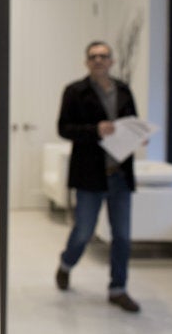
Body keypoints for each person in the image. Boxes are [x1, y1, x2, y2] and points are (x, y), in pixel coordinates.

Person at [55, 40, 141, 313]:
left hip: (120, 175)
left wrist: (139, 136)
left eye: (104, 56)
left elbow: (133, 123)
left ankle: (118, 288)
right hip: (90, 175)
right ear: (86, 62)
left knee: (123, 236)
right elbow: (64, 129)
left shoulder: (124, 90)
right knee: (83, 231)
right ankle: (66, 263)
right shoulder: (74, 92)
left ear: (112, 61)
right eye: (93, 56)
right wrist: (95, 130)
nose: (99, 60)